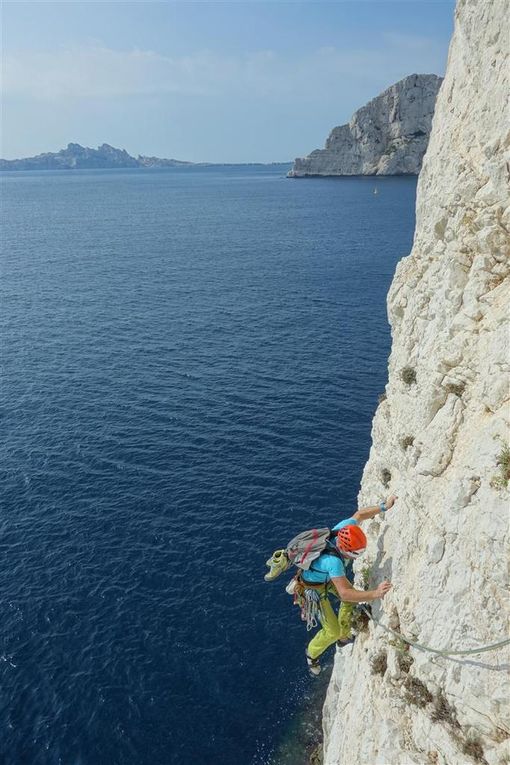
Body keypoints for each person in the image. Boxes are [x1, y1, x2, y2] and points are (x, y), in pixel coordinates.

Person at [301, 495, 396, 676]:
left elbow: (360, 515)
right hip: (312, 588)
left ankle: (344, 637)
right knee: (332, 631)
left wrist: (384, 507)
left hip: (325, 578)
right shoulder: (334, 562)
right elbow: (345, 594)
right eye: (353, 555)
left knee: (352, 597)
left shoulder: (344, 529)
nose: (354, 559)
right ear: (344, 550)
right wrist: (375, 594)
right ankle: (311, 654)